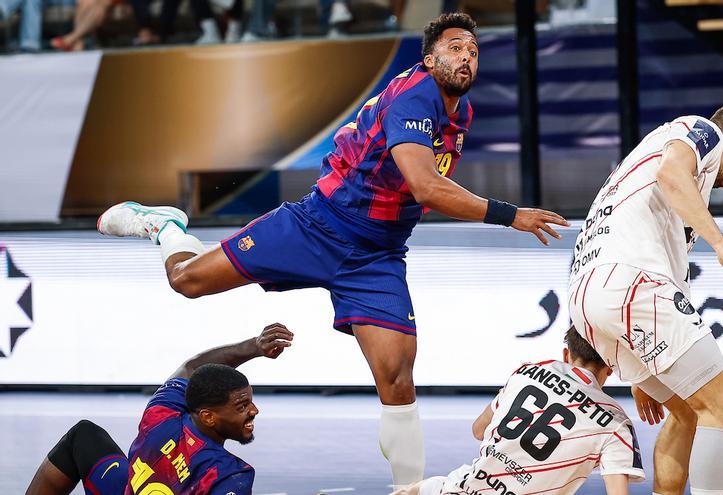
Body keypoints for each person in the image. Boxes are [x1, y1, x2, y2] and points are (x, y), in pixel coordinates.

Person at [96, 12, 567, 488]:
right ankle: (165, 227)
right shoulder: (417, 94)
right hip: (317, 225)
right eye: (455, 47)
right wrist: (514, 215)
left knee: (398, 381)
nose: (466, 56)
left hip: (376, 256)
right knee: (187, 281)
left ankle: (409, 488)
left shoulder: (458, 112)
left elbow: (425, 181)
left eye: (473, 50)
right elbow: (426, 188)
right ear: (429, 59)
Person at [568, 99, 723, 495]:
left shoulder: (673, 193)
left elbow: (673, 272)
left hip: (591, 302)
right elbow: (671, 173)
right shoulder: (704, 132)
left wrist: (642, 367)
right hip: (628, 281)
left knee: (686, 413)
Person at [24, 322, 294, 495]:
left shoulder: (161, 415)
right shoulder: (231, 474)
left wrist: (253, 347)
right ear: (208, 417)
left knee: (83, 436)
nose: (254, 410)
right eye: (242, 405)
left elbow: (191, 368)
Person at [393, 326, 646, 495]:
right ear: (611, 366)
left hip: (462, 488)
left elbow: (478, 430)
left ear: (566, 353)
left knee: (425, 487)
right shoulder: (616, 423)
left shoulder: (527, 371)